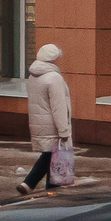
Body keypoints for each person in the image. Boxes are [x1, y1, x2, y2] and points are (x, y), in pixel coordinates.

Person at [20, 43, 73, 193]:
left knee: (50, 155)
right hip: (54, 125)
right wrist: (64, 130)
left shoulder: (33, 76)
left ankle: (29, 184)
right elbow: (59, 107)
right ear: (54, 60)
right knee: (56, 156)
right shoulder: (54, 78)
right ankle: (48, 190)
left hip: (39, 124)